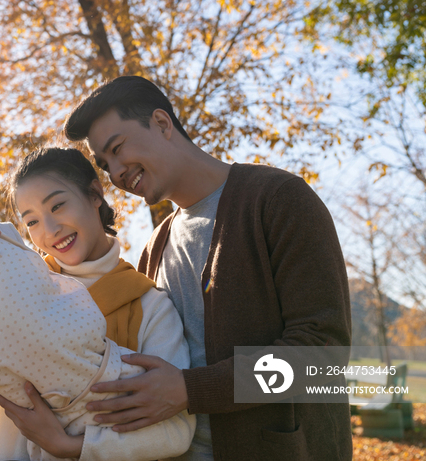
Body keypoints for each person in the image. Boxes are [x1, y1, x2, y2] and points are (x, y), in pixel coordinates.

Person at [62, 76, 353, 460]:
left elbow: (324, 355)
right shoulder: (154, 250)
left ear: (162, 124)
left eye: (117, 148)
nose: (115, 172)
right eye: (105, 164)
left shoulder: (278, 200)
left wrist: (190, 390)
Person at [0, 147, 196, 460]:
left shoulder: (149, 306)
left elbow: (176, 432)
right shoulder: (8, 288)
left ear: (94, 194)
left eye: (58, 205)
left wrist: (69, 446)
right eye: (32, 222)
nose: (49, 231)